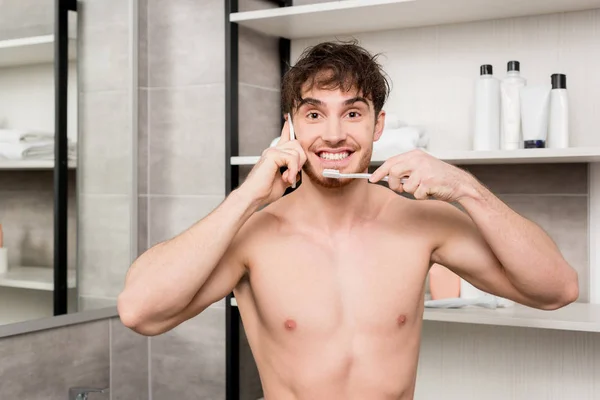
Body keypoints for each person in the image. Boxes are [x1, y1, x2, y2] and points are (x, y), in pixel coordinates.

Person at [118, 41, 579, 399]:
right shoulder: (252, 236)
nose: (334, 134)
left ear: (378, 126)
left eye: (353, 113)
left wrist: (465, 187)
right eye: (314, 114)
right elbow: (140, 311)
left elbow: (555, 289)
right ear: (291, 126)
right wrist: (247, 196)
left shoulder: (423, 223)